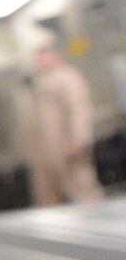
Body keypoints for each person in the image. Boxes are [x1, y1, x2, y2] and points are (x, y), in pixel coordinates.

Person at [25, 42, 103, 206]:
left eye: (44, 56)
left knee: (82, 189)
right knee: (51, 196)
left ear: (55, 55)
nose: (41, 61)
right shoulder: (42, 83)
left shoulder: (68, 78)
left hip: (68, 146)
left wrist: (78, 139)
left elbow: (79, 109)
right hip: (49, 149)